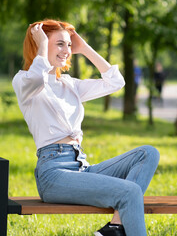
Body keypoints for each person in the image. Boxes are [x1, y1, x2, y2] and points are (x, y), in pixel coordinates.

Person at [12, 19, 160, 236]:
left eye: (69, 45)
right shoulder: (24, 81)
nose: (66, 51)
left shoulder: (70, 84)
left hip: (82, 167)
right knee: (130, 192)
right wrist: (42, 45)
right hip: (54, 174)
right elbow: (36, 78)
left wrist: (85, 49)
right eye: (59, 44)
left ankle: (115, 227)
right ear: (39, 44)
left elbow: (116, 82)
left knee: (148, 153)